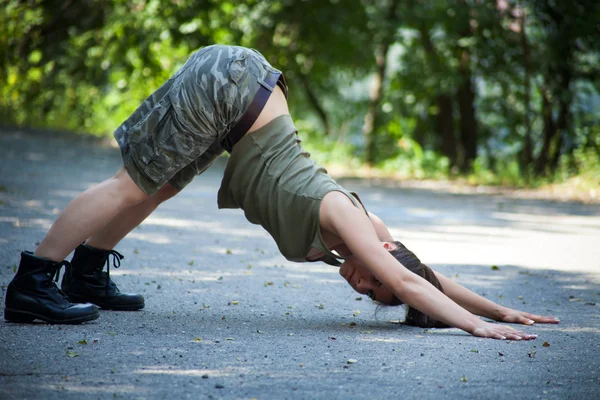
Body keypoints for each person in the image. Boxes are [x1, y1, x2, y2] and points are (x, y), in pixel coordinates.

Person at [4, 45, 559, 339]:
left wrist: (503, 309)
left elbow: (426, 277)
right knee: (132, 184)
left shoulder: (376, 238)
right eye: (373, 283)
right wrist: (479, 328)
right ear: (384, 257)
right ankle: (34, 280)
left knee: (159, 187)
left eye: (369, 296)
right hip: (233, 87)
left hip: (238, 107)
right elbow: (409, 280)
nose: (360, 285)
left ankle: (86, 273)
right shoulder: (353, 224)